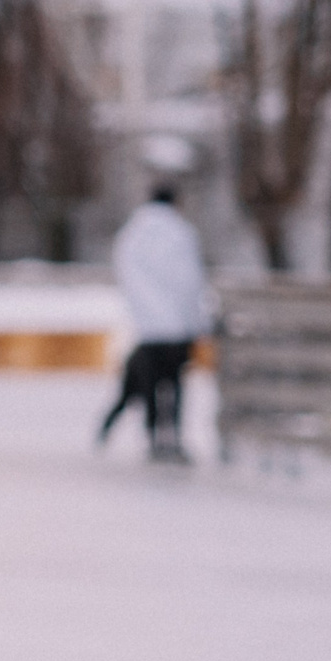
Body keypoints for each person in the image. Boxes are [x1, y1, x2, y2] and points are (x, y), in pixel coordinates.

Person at [98, 184, 215, 461]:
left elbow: (126, 278)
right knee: (174, 384)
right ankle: (172, 436)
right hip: (177, 328)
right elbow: (190, 281)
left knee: (150, 384)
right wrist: (198, 320)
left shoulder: (131, 235)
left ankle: (151, 437)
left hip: (148, 327)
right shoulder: (181, 233)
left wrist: (141, 312)